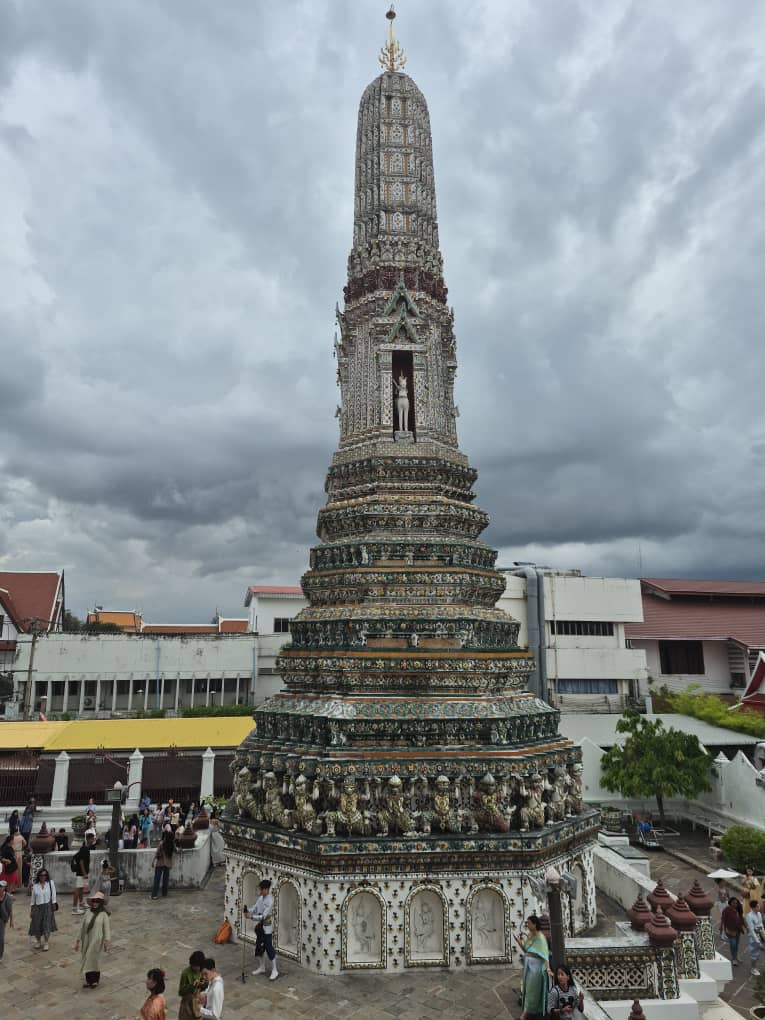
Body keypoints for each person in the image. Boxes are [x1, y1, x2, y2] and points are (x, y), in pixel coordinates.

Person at [515, 914, 553, 1020]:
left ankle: (525, 1015)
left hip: (536, 970)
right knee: (527, 991)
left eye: (529, 923)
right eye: (527, 923)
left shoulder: (541, 938)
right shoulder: (530, 935)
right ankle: (530, 1012)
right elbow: (527, 950)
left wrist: (548, 969)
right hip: (528, 967)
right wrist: (519, 943)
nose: (527, 925)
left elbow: (545, 955)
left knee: (532, 991)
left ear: (535, 924)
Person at [75, 890, 111, 988]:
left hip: (97, 940)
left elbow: (106, 928)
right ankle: (88, 980)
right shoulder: (88, 912)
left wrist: (106, 941)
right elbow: (82, 926)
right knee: (87, 958)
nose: (95, 903)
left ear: (100, 902)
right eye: (94, 901)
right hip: (87, 939)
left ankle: (95, 980)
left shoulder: (104, 914)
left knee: (94, 959)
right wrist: (78, 940)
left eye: (97, 901)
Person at [245, 878, 279, 980]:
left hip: (267, 928)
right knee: (258, 947)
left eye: (262, 889)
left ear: (267, 889)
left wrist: (251, 917)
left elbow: (263, 916)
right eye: (260, 889)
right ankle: (262, 967)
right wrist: (248, 911)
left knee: (269, 948)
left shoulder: (270, 901)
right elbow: (255, 908)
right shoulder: (260, 898)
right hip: (260, 927)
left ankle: (275, 969)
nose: (261, 891)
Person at [28, 866, 57, 950]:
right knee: (37, 924)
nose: (43, 877)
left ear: (46, 876)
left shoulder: (50, 883)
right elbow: (33, 899)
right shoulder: (35, 886)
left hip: (47, 906)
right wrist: (31, 910)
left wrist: (54, 903)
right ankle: (38, 941)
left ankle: (46, 942)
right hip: (38, 907)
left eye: (44, 875)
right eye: (41, 875)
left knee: (46, 924)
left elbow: (53, 894)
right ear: (39, 876)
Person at [178, 949, 207, 1020]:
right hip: (187, 1006)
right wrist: (192, 986)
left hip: (200, 1003)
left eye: (196, 966)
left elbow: (206, 987)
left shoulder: (203, 972)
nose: (194, 967)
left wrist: (203, 983)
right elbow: (181, 992)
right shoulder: (186, 973)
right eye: (192, 965)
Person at [72, 830, 96, 914]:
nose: (93, 840)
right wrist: (84, 873)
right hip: (81, 872)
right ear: (88, 839)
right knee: (78, 889)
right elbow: (81, 862)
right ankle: (74, 908)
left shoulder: (86, 848)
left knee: (81, 888)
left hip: (82, 872)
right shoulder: (84, 849)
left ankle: (81, 903)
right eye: (92, 838)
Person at [720, 896, 746, 965]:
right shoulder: (727, 909)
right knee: (733, 944)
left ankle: (736, 956)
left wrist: (745, 926)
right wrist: (722, 927)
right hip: (730, 930)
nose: (735, 904)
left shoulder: (738, 910)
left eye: (736, 903)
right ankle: (734, 958)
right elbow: (723, 918)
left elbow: (741, 918)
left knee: (736, 944)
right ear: (730, 903)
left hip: (738, 930)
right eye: (733, 903)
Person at [151, 829, 175, 899]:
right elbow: (176, 850)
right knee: (165, 880)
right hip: (167, 864)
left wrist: (153, 862)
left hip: (160, 863)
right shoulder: (172, 844)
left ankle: (154, 895)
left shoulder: (162, 843)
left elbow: (157, 853)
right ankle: (164, 893)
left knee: (157, 879)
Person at [746, 899, 765, 977]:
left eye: (758, 906)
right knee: (754, 954)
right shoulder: (749, 916)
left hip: (760, 933)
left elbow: (761, 925)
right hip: (754, 937)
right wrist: (758, 942)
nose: (759, 907)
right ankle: (753, 968)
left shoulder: (759, 914)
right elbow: (751, 930)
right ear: (753, 908)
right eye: (757, 906)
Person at [0, 879, 13, 961]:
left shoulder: (8, 897)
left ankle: (0, 955)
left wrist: (11, 920)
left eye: (1, 886)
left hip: (2, 919)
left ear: (4, 887)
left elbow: (10, 910)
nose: (0, 888)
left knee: (1, 938)